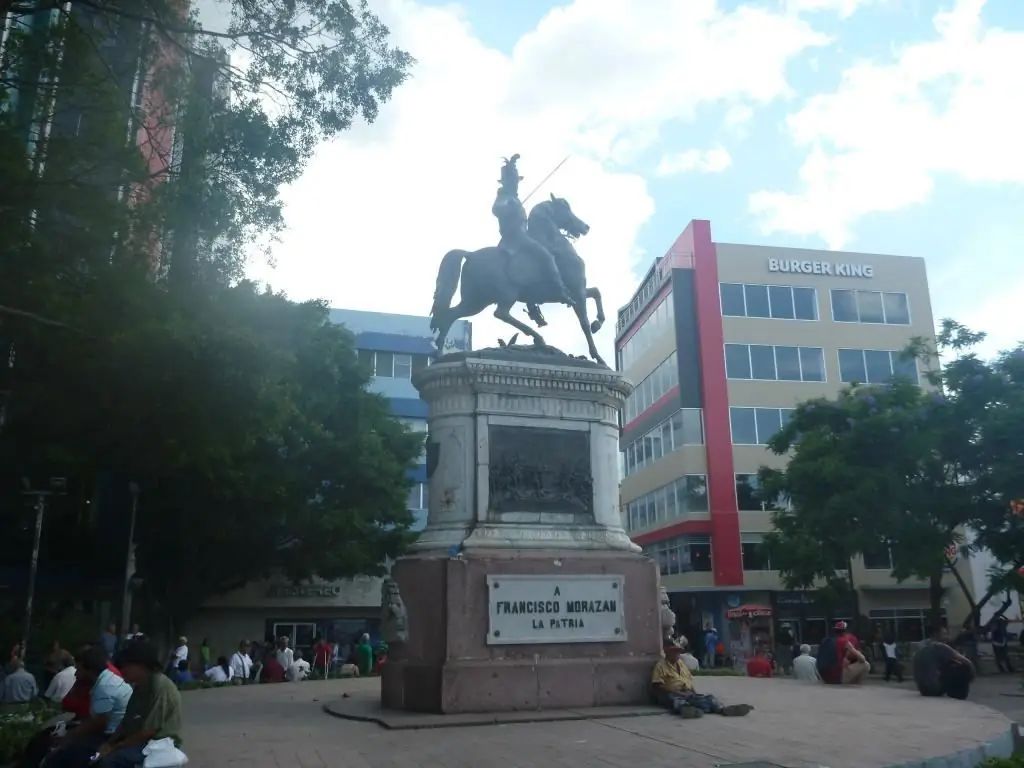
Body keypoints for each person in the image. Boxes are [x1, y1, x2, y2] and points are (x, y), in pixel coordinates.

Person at [491, 154, 572, 305]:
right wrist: (508, 205)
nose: (516, 184)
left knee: (534, 263)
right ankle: (560, 291)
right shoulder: (504, 196)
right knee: (546, 256)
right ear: (507, 182)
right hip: (515, 237)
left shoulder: (513, 197)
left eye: (516, 181)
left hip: (523, 234)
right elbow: (496, 209)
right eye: (513, 181)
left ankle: (533, 302)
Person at [89, 637, 183, 767]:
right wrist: (109, 743)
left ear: (141, 666)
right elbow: (126, 723)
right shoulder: (140, 687)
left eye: (125, 667)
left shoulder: (159, 686)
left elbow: (149, 731)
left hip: (160, 744)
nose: (122, 672)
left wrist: (115, 747)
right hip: (141, 741)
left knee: (110, 762)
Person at [43, 646, 133, 768]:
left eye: (79, 669)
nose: (76, 673)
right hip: (113, 732)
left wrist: (68, 738)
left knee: (62, 756)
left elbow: (98, 724)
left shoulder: (104, 688)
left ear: (90, 671)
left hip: (110, 736)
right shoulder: (107, 679)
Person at [652, 642, 752, 718]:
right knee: (677, 701)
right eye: (674, 652)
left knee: (707, 698)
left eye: (678, 652)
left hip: (686, 692)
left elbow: (689, 681)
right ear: (667, 652)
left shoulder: (682, 665)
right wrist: (673, 693)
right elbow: (657, 686)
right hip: (671, 693)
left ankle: (723, 709)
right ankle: (686, 710)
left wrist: (694, 694)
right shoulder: (661, 666)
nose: (677, 654)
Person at [914, 625, 975, 700]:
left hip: (922, 689)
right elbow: (967, 662)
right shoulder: (940, 646)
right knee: (963, 668)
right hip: (935, 689)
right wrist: (971, 676)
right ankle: (959, 696)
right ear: (936, 634)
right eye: (945, 634)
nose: (947, 637)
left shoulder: (920, 645)